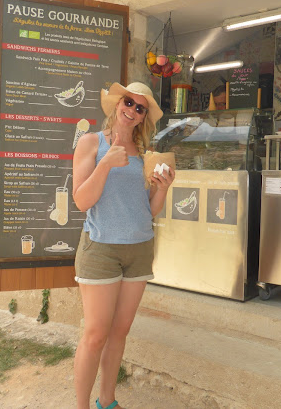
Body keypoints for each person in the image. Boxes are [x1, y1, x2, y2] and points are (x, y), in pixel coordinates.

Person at [71, 82, 175, 409]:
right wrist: (104, 164)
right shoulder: (91, 143)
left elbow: (148, 207)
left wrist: (163, 188)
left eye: (139, 108)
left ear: (144, 117)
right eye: (128, 102)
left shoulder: (146, 155)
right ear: (117, 103)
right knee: (95, 335)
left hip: (140, 248)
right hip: (101, 249)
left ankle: (107, 401)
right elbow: (81, 201)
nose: (131, 110)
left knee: (119, 333)